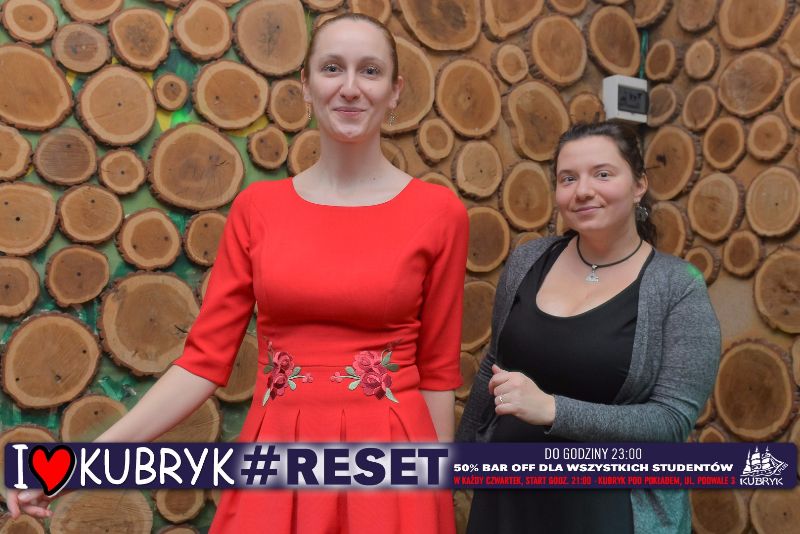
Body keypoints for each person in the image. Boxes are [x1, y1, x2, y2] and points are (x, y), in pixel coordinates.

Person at [8, 14, 468, 533]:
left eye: (370, 71)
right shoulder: (258, 209)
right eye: (332, 68)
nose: (349, 87)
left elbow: (437, 374)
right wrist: (77, 464)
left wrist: (435, 502)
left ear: (395, 90)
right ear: (306, 85)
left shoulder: (439, 213)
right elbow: (203, 363)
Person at [456, 121, 720, 533]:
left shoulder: (678, 287)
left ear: (639, 185)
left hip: (605, 509)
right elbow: (495, 363)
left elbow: (669, 422)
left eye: (602, 174)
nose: (582, 190)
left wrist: (553, 410)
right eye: (568, 178)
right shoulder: (528, 261)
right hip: (507, 502)